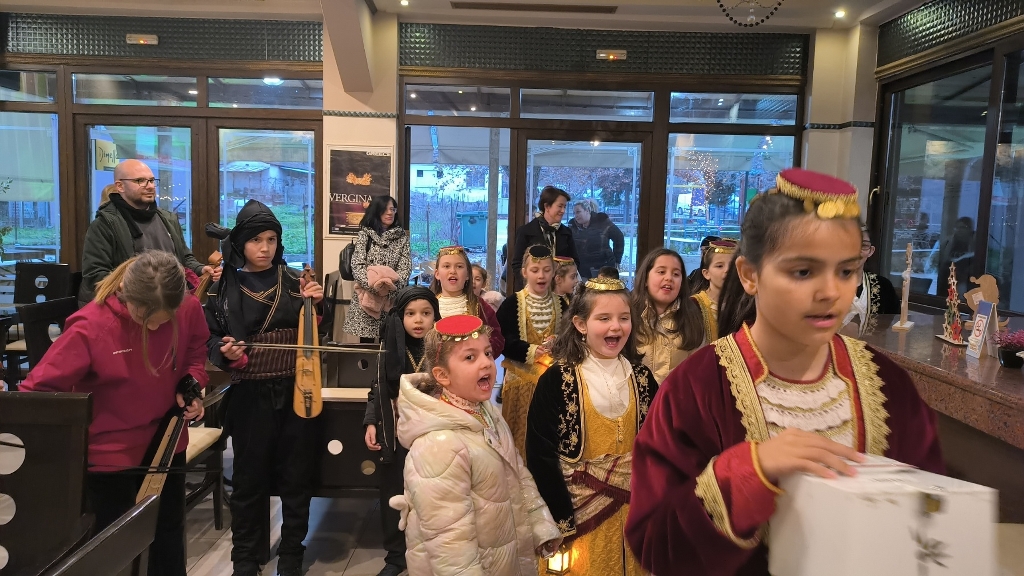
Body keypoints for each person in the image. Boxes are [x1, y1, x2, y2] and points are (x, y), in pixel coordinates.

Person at [625, 168, 944, 576]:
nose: (831, 292)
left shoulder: (889, 386)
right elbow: (655, 545)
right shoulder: (697, 388)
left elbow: (930, 520)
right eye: (803, 272)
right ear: (749, 275)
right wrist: (746, 473)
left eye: (846, 271)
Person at [21, 250, 209, 576]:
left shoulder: (187, 306)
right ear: (125, 293)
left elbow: (195, 349)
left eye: (166, 318)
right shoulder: (91, 326)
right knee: (116, 552)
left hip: (166, 440)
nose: (155, 326)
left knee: (167, 538)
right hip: (110, 454)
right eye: (146, 317)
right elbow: (37, 392)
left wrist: (192, 381)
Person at [204, 200, 325, 576]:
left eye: (271, 239)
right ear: (241, 243)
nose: (265, 247)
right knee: (248, 479)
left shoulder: (297, 282)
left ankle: (291, 554)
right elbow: (209, 339)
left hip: (296, 389)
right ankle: (244, 557)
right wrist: (224, 351)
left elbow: (314, 335)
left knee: (296, 476)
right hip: (249, 394)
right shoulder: (221, 288)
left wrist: (318, 307)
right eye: (256, 240)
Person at [391, 315, 563, 576]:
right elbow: (450, 544)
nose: (486, 362)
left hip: (502, 557)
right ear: (442, 375)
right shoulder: (439, 444)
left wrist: (540, 526)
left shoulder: (486, 413)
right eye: (470, 357)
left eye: (487, 353)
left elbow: (518, 474)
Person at [526, 277, 659, 576]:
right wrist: (559, 520)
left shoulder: (642, 377)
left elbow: (661, 443)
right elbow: (540, 455)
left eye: (624, 318)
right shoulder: (557, 379)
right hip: (578, 515)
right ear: (580, 324)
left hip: (635, 515)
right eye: (604, 318)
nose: (616, 327)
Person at [363, 287, 439, 576]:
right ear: (400, 317)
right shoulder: (390, 347)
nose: (418, 320)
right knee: (394, 491)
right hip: (395, 430)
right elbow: (377, 388)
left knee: (431, 493)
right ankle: (396, 556)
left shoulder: (443, 349)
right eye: (410, 314)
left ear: (435, 316)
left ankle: (431, 552)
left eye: (426, 313)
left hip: (433, 432)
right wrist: (371, 421)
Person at [80, 159, 221, 303]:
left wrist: (200, 269)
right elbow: (95, 274)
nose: (150, 186)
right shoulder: (104, 225)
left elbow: (184, 258)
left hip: (168, 305)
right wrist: (133, 289)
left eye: (152, 180)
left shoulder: (168, 219)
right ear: (120, 186)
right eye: (140, 181)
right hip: (126, 307)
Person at [496, 244, 565, 458]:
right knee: (519, 435)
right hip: (519, 381)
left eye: (546, 270)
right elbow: (501, 340)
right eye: (535, 270)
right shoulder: (511, 304)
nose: (541, 275)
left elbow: (571, 337)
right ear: (525, 272)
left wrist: (558, 342)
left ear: (554, 272)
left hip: (552, 382)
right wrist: (530, 350)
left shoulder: (562, 304)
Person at [344, 195, 412, 342]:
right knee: (366, 347)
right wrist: (374, 287)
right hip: (367, 298)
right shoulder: (365, 235)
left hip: (391, 300)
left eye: (393, 209)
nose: (390, 213)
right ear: (376, 210)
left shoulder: (402, 238)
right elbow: (357, 265)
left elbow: (405, 268)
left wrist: (391, 289)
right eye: (385, 209)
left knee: (389, 344)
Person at [631, 248, 705, 383]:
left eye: (676, 274)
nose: (669, 278)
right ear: (645, 278)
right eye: (661, 272)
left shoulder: (692, 317)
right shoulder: (628, 315)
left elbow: (697, 371)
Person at [430, 245, 504, 357]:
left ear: (468, 275)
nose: (453, 271)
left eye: (459, 266)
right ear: (437, 274)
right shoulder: (429, 305)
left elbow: (497, 338)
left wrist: (479, 355)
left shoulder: (479, 306)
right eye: (446, 266)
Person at [509, 186, 579, 292]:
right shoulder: (526, 231)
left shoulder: (567, 232)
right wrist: (531, 284)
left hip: (560, 291)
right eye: (560, 206)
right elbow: (517, 264)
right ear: (547, 206)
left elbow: (575, 261)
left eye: (565, 207)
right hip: (533, 290)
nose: (563, 211)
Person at [844, 226, 900, 328]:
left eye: (864, 245)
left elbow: (893, 325)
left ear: (871, 251)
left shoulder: (884, 287)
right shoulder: (824, 285)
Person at [691, 239, 738, 342]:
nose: (727, 270)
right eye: (719, 266)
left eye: (732, 266)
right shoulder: (693, 305)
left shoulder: (742, 305)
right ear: (706, 273)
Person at [569, 199, 625, 279]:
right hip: (582, 269)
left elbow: (619, 237)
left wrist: (617, 259)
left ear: (587, 210)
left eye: (578, 212)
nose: (576, 216)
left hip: (603, 268)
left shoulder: (602, 221)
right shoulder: (573, 225)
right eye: (574, 213)